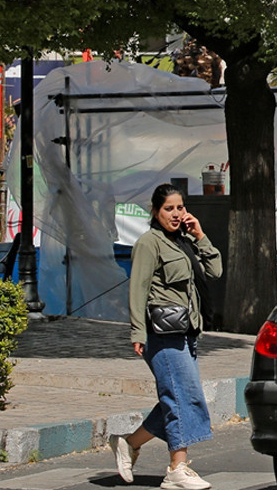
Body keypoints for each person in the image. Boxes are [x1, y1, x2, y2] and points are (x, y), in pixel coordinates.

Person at [111, 183, 222, 490]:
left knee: (178, 396)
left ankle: (129, 443)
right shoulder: (149, 243)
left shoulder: (185, 240)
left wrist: (200, 235)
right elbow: (138, 288)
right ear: (156, 212)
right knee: (181, 396)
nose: (176, 214)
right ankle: (177, 467)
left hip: (186, 332)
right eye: (168, 209)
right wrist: (137, 331)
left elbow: (215, 271)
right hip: (161, 334)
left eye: (180, 208)